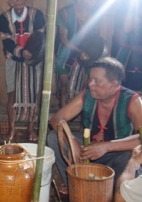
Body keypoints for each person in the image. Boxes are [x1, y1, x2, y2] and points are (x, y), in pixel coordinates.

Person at [47, 57, 142, 196]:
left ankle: (117, 190)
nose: (91, 84)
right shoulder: (87, 95)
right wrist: (72, 141)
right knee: (55, 137)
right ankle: (73, 182)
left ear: (113, 85)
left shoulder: (133, 101)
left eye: (97, 81)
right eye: (90, 79)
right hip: (88, 150)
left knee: (130, 156)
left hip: (116, 155)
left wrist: (107, 146)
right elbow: (56, 119)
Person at [0, 0, 45, 141]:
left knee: (33, 94)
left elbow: (40, 38)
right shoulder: (4, 17)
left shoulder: (36, 15)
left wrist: (31, 52)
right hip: (13, 59)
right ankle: (12, 130)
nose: (18, 0)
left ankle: (31, 130)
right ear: (10, 1)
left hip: (34, 60)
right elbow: (7, 40)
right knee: (12, 93)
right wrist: (21, 51)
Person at [55, 0, 98, 107]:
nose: (94, 1)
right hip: (66, 53)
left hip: (86, 53)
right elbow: (63, 38)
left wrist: (90, 52)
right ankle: (62, 121)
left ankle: (82, 124)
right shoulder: (65, 13)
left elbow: (95, 37)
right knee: (64, 86)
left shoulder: (94, 13)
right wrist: (80, 51)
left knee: (85, 86)